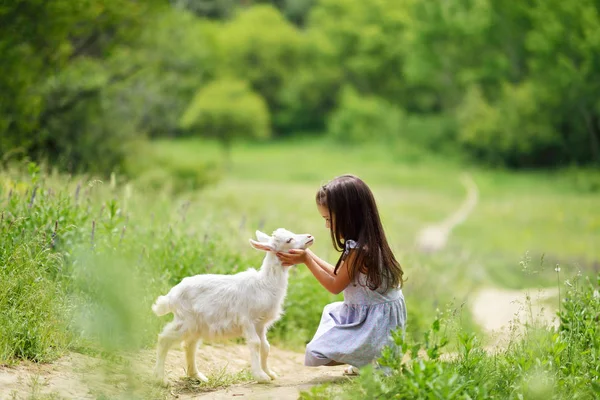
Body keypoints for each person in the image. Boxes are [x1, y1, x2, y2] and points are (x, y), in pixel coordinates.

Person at [276, 174, 407, 375]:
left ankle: (371, 357)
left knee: (317, 352)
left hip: (377, 324)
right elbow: (340, 274)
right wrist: (307, 253)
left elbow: (335, 285)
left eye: (329, 219)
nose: (327, 226)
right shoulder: (363, 244)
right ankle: (368, 357)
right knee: (332, 314)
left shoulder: (361, 251)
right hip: (374, 316)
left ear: (349, 216)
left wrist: (307, 260)